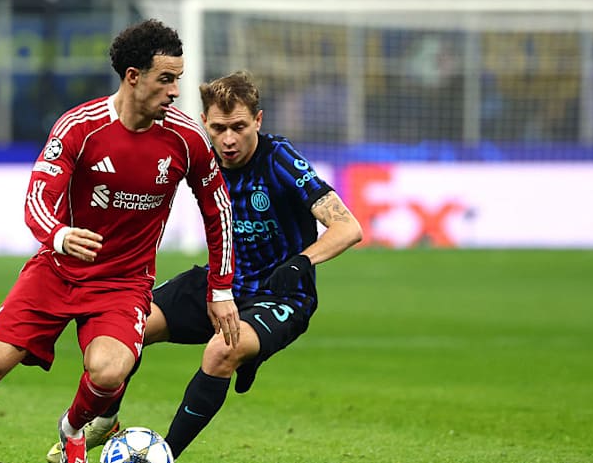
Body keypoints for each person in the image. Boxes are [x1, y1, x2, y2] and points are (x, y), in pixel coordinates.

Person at [0, 19, 240, 463]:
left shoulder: (187, 138)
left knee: (110, 370)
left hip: (122, 283)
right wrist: (58, 235)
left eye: (177, 78)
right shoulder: (81, 126)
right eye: (166, 79)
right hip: (56, 271)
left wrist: (220, 289)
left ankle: (73, 429)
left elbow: (219, 212)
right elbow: (37, 197)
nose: (175, 90)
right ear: (133, 77)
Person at [47, 71, 363, 461]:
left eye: (239, 127)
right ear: (204, 125)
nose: (229, 139)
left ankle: (162, 455)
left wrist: (302, 261)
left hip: (279, 294)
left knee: (219, 353)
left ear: (258, 121)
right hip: (220, 283)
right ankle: (107, 417)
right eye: (219, 128)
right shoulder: (198, 152)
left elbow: (348, 226)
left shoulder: (280, 158)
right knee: (126, 329)